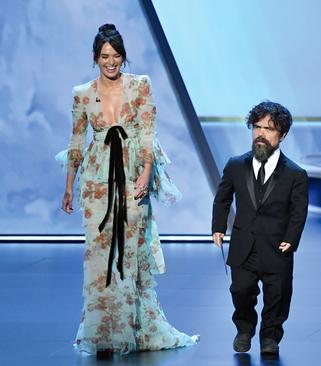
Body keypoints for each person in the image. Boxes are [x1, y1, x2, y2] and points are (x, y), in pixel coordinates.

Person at [58, 24, 197, 359]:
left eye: (116, 55)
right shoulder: (82, 93)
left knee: (128, 257)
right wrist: (68, 188)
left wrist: (146, 174)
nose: (111, 61)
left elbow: (148, 132)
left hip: (131, 178)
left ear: (123, 56)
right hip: (96, 184)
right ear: (96, 58)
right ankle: (103, 334)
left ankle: (130, 331)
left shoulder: (139, 86)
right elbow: (76, 143)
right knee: (98, 258)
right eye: (105, 56)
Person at [211, 101, 308, 355]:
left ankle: (270, 336)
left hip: (277, 246)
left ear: (282, 135)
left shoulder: (295, 174)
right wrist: (218, 227)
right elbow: (223, 198)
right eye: (257, 127)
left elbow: (299, 212)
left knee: (277, 296)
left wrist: (292, 239)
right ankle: (244, 330)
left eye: (269, 128)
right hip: (244, 244)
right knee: (241, 290)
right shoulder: (235, 165)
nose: (261, 133)